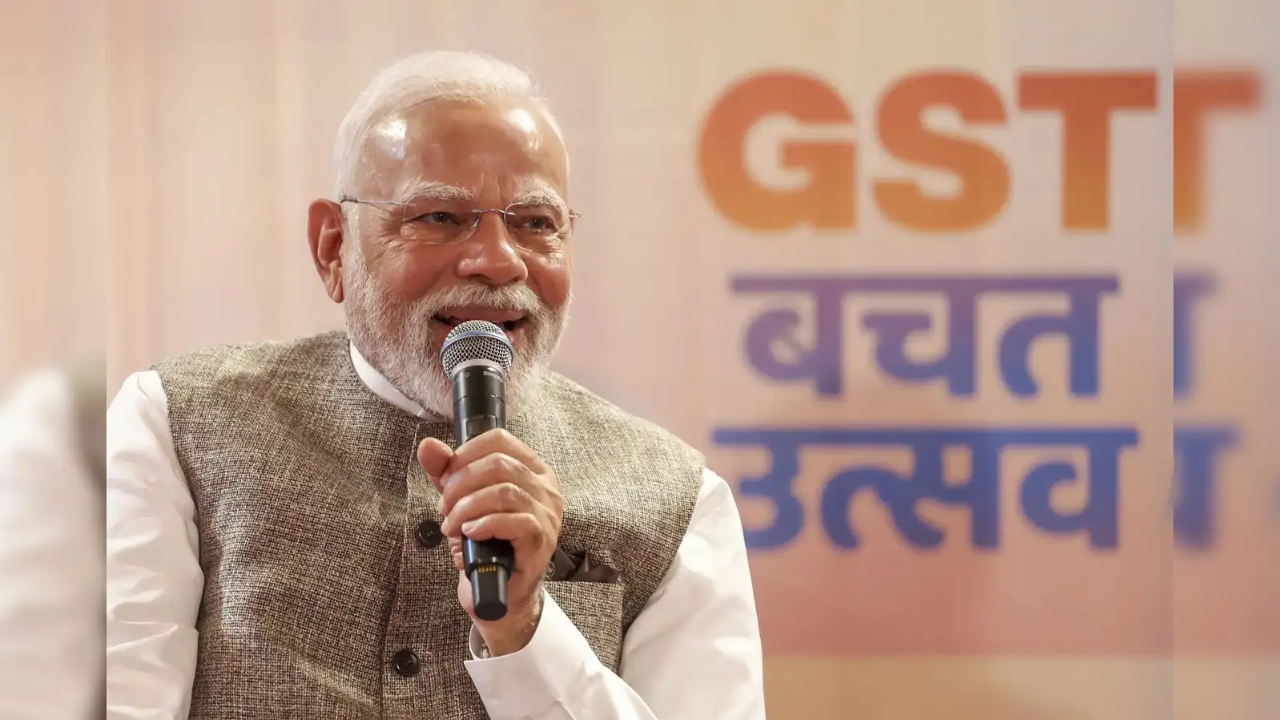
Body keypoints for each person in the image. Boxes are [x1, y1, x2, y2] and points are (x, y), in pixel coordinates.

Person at [106, 50, 766, 719]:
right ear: (333, 247)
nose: (497, 260)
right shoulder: (180, 424)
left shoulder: (676, 499)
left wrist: (527, 631)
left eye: (536, 223)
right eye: (440, 217)